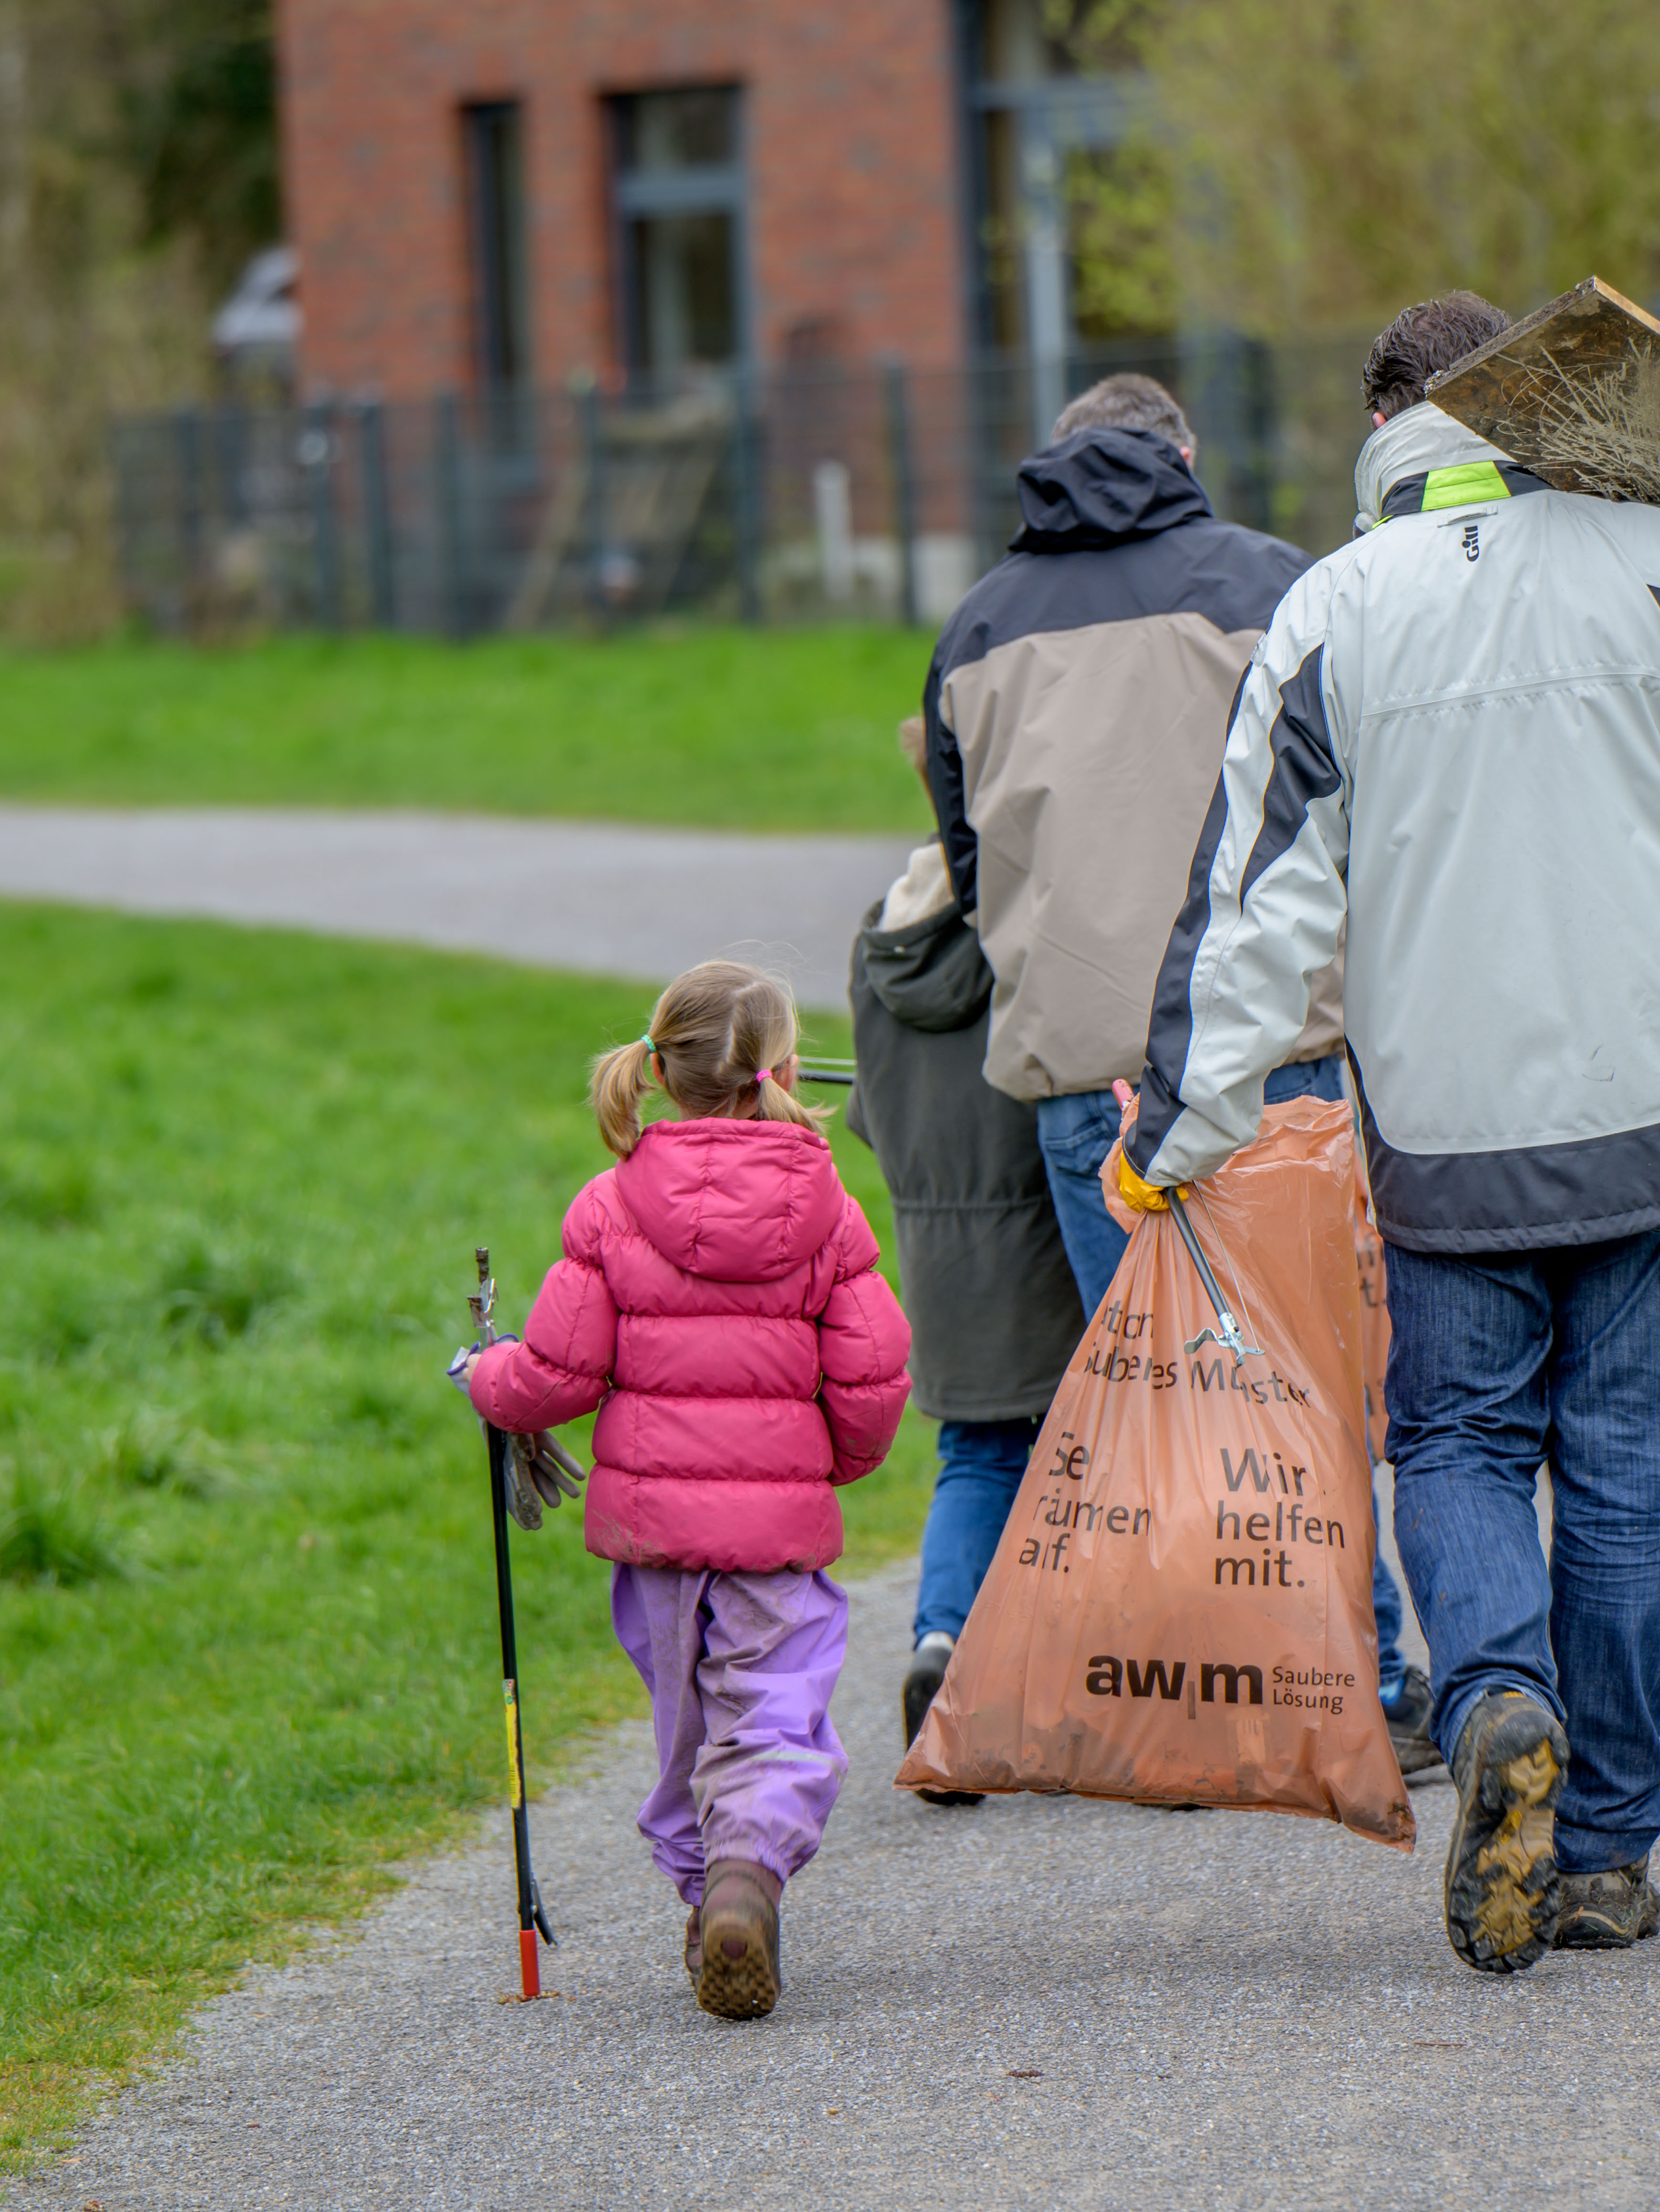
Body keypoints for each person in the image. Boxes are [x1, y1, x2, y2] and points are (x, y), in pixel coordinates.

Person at [1117, 292, 1660, 1973]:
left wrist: (1178, 1131)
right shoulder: (1657, 560)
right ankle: (1601, 1851)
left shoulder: (1326, 615)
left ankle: (1492, 1701)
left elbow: (1252, 913)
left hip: (1448, 1132)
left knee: (1453, 1444)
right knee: (1626, 1474)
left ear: (1382, 424)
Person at [916, 372, 1433, 1773]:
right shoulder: (1274, 583)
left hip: (1088, 1073)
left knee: (1156, 1401)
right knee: (1302, 1384)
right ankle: (1368, 1682)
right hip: (1274, 1054)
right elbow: (1357, 801)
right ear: (1185, 454)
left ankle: (1198, 1708)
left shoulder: (977, 626)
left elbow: (965, 859)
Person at [455, 960, 912, 2020]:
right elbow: (871, 1373)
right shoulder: (828, 1211)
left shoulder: (610, 1205)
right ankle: (746, 1874)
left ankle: (710, 1899)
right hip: (774, 1538)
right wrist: (825, 1467)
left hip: (655, 1538)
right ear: (782, 1071)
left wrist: (486, 1377)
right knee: (773, 1716)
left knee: (689, 1724)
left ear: (656, 1071)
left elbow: (560, 1373)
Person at [846, 730, 1088, 1803]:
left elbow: (869, 1108)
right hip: (1039, 1229)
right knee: (1082, 1458)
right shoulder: (1027, 927)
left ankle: (942, 1643)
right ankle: (1080, 1691)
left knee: (973, 1455)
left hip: (937, 1249)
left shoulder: (881, 933)